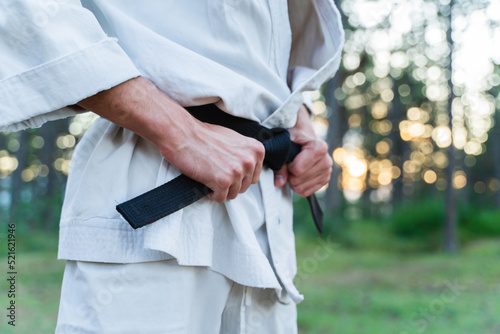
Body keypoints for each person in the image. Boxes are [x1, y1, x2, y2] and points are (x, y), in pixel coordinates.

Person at [0, 0, 344, 333]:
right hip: (153, 191)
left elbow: (269, 33)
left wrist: (299, 119)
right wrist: (181, 133)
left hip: (267, 213)